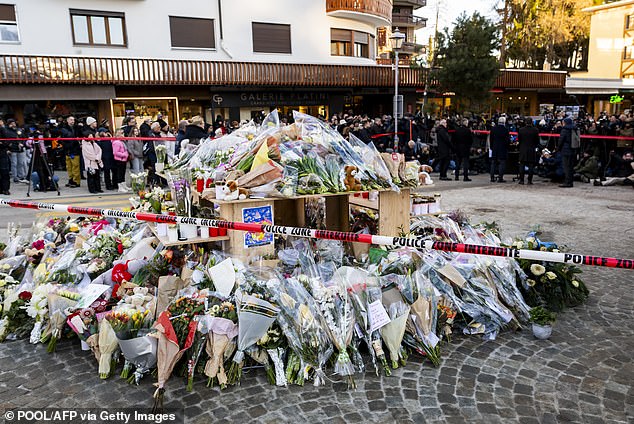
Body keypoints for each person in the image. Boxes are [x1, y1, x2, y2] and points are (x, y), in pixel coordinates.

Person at [4, 119, 28, 183]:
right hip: (12, 149)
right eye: (11, 123)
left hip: (20, 149)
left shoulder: (19, 129)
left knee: (21, 163)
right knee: (14, 164)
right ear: (8, 124)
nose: (13, 124)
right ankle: (15, 177)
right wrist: (7, 148)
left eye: (14, 123)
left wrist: (22, 143)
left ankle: (21, 176)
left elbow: (24, 137)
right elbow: (5, 140)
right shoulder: (6, 131)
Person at [517, 118, 540, 185]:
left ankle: (521, 180)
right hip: (531, 149)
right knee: (531, 166)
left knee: (522, 165)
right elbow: (537, 141)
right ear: (532, 122)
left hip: (523, 149)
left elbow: (519, 140)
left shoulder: (521, 130)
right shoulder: (535, 130)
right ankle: (529, 181)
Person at [60, 116, 81, 188]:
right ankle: (71, 179)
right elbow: (62, 139)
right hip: (67, 150)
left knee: (75, 166)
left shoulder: (77, 128)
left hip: (75, 150)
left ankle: (76, 181)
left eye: (73, 120)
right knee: (69, 167)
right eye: (71, 120)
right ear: (67, 120)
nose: (73, 121)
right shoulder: (64, 128)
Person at [557, 117, 577, 188]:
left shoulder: (565, 129)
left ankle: (567, 182)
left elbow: (561, 140)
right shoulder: (574, 128)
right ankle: (570, 181)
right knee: (571, 167)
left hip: (566, 150)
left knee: (566, 167)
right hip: (573, 149)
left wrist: (558, 148)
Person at [490, 116, 511, 182]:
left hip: (495, 147)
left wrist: (492, 147)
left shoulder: (493, 129)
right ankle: (500, 178)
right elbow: (507, 141)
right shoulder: (505, 130)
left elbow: (491, 139)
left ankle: (492, 178)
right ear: (504, 122)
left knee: (493, 163)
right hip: (502, 149)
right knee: (502, 163)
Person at [0, 119, 10, 195]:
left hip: (2, 153)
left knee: (4, 172)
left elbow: (7, 142)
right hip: (2, 151)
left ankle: (5, 189)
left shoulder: (3, 130)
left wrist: (2, 144)